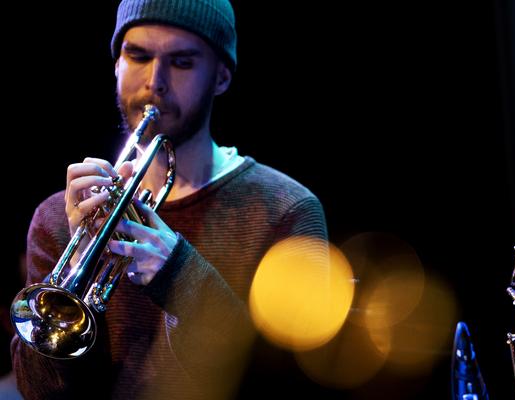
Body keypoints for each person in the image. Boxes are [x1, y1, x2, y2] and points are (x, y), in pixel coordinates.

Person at [10, 0, 329, 398]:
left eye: (181, 62)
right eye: (138, 56)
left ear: (221, 77)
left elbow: (292, 384)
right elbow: (40, 393)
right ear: (116, 64)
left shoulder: (286, 210)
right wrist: (78, 264)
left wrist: (180, 276)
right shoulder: (58, 215)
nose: (155, 81)